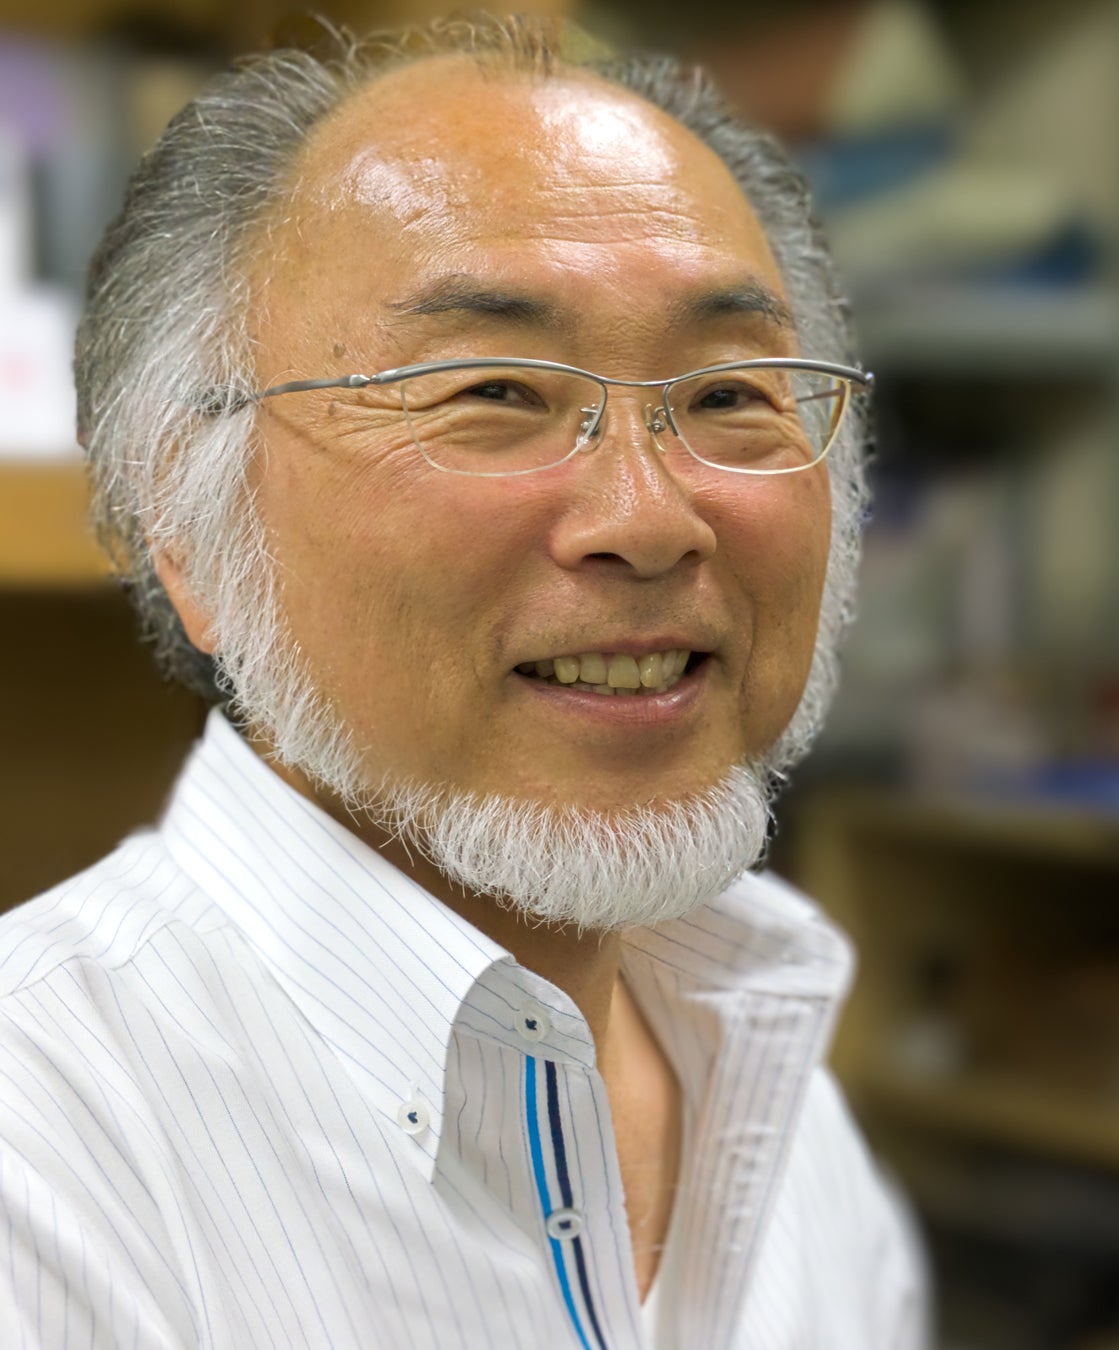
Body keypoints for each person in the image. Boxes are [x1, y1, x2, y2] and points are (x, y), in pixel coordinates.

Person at [0, 16, 925, 1349]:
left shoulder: (773, 1082)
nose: (649, 518)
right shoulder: (48, 1151)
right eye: (494, 388)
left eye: (730, 393)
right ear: (189, 527)